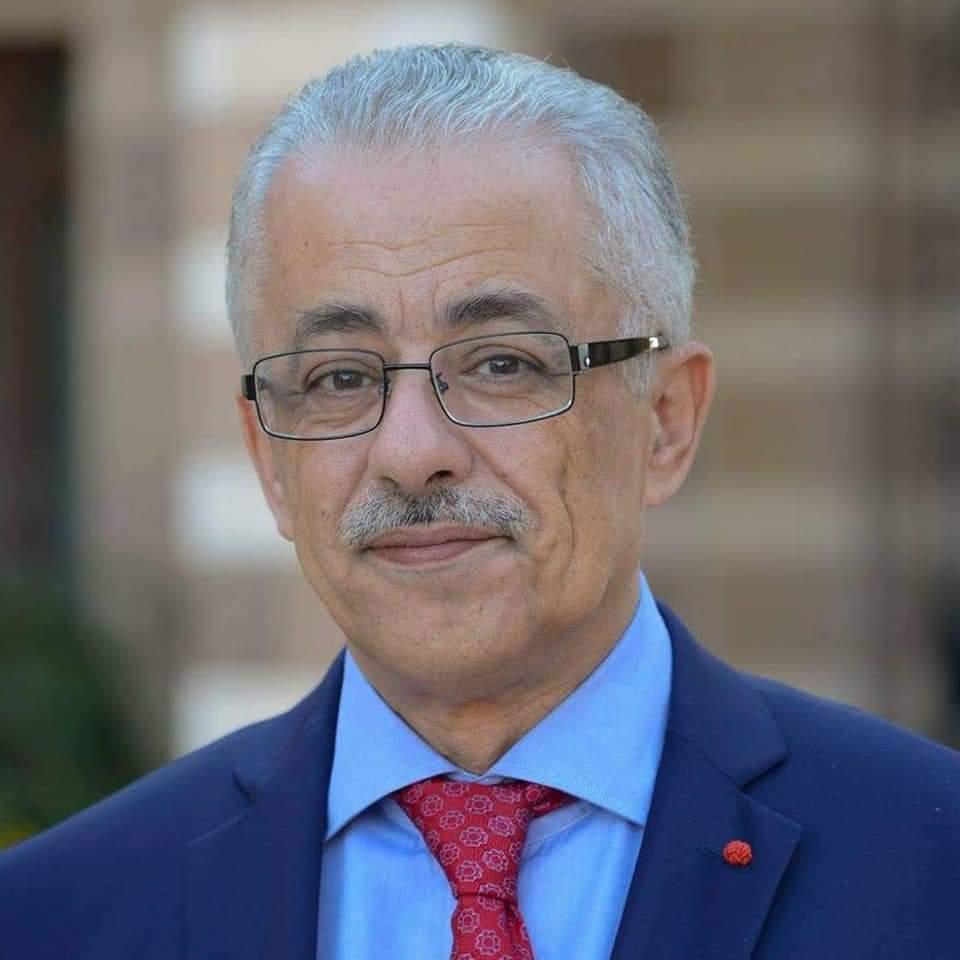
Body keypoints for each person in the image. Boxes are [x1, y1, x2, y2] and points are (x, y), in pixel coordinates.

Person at [1, 43, 957, 960]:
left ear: (666, 422)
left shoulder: (930, 867)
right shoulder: (55, 919)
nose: (411, 454)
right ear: (268, 461)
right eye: (339, 378)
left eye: (503, 364)